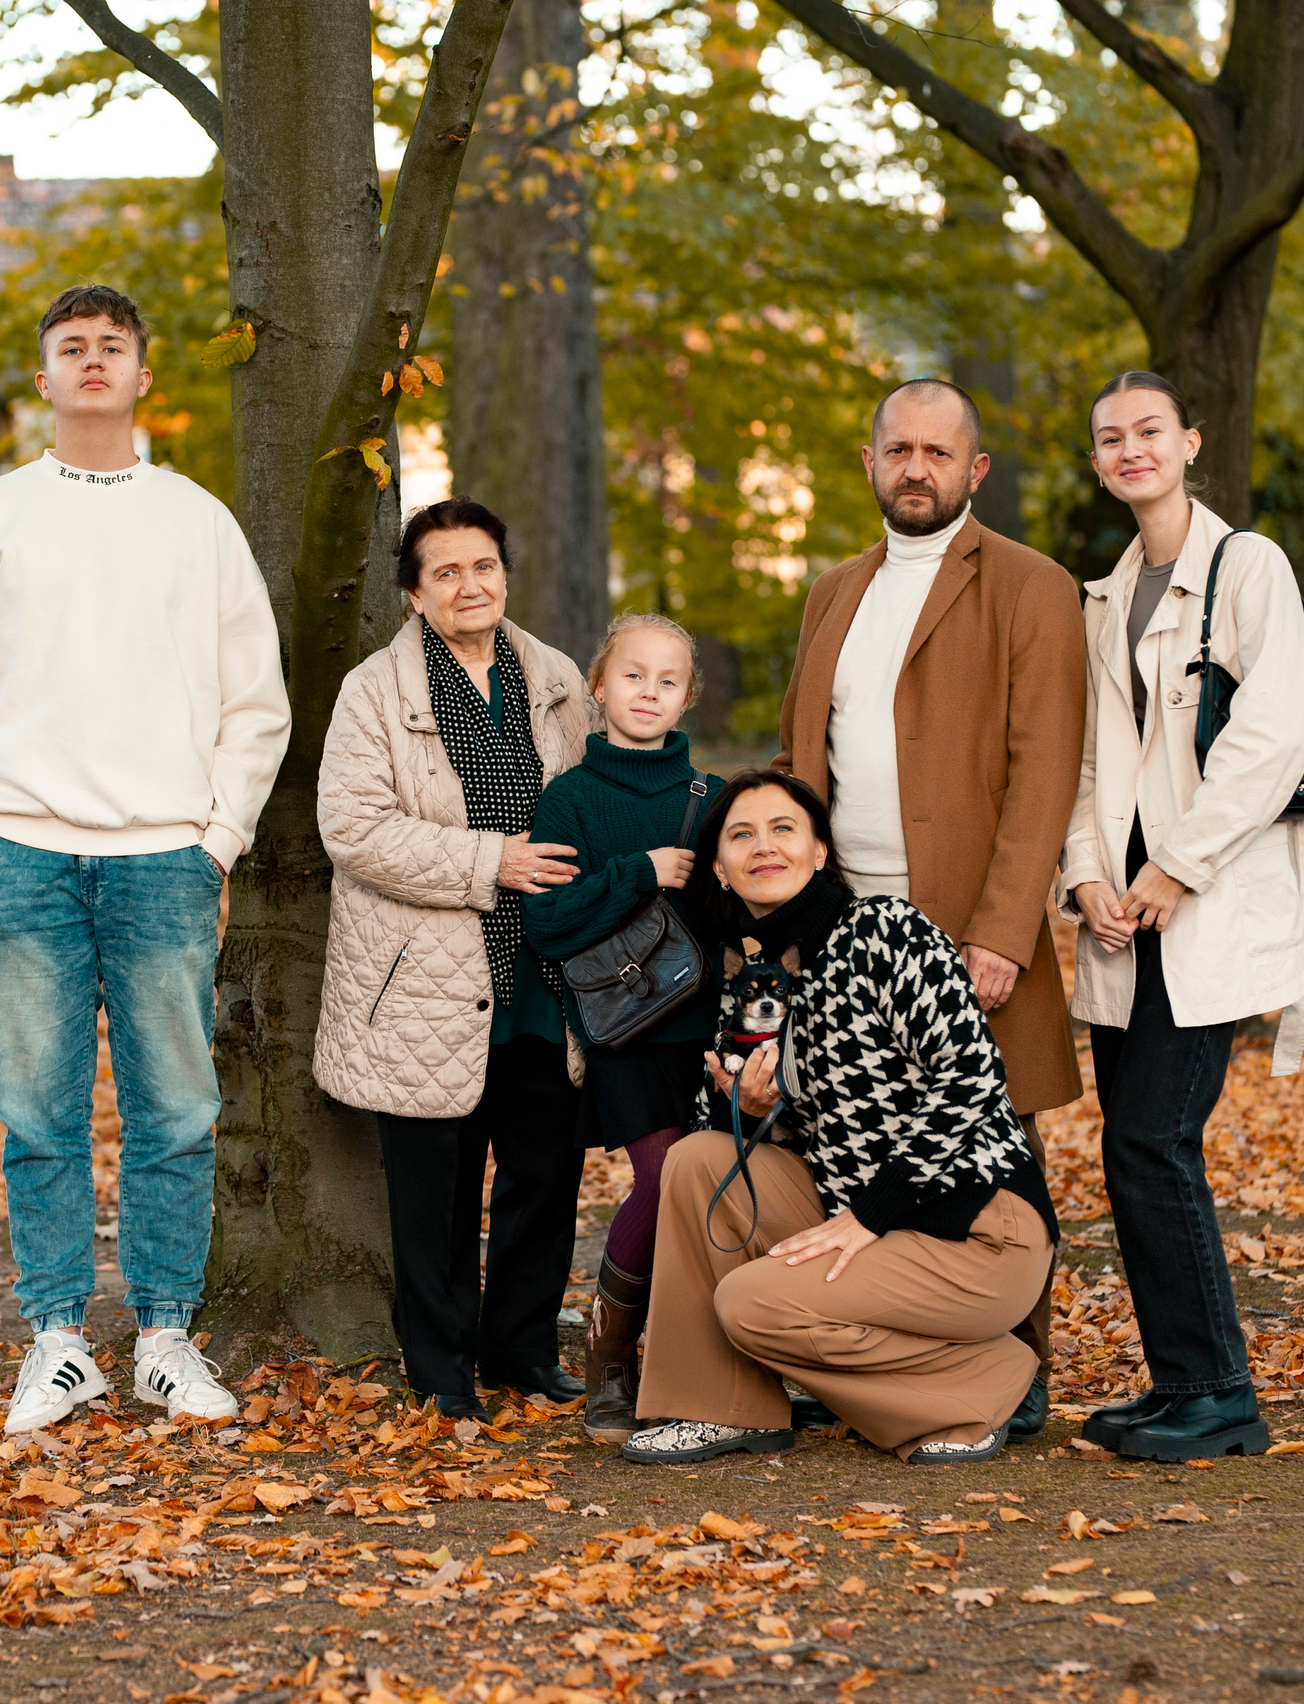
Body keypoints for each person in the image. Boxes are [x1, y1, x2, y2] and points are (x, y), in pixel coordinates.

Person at [0, 283, 292, 1435]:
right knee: (39, 1110)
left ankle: (166, 1335)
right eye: (70, 348)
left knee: (176, 1108)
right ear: (41, 378)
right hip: (20, 853)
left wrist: (217, 836)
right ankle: (59, 1342)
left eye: (111, 348)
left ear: (142, 375)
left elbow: (253, 702)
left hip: (166, 855)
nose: (90, 363)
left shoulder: (196, 520)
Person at [774, 379, 1088, 1442]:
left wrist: (1000, 934)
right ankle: (871, 1346)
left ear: (974, 470)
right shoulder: (832, 592)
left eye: (938, 453)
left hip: (961, 921)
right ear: (869, 462)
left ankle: (1020, 1365)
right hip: (841, 922)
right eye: (898, 449)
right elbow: (795, 761)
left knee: (990, 1150)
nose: (916, 468)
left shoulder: (1030, 588)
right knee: (852, 1134)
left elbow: (1044, 770)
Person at [1058, 371, 1304, 1462]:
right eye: (1109, 439)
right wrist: (1085, 877)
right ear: (1097, 462)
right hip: (1124, 914)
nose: (1130, 450)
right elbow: (1091, 761)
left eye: (1147, 433)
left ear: (1189, 443)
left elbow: (1270, 738)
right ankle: (1183, 1383)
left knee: (1151, 1139)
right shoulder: (1105, 595)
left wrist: (1173, 868)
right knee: (1134, 1150)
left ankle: (1220, 1393)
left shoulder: (1244, 566)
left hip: (1202, 900)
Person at [619, 770, 1059, 1466]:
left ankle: (983, 1380)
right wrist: (748, 1109)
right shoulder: (752, 979)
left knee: (751, 1305)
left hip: (975, 1228)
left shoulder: (884, 930)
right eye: (741, 835)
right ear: (722, 872)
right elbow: (734, 1136)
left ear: (821, 851)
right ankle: (720, 1407)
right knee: (698, 1161)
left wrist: (871, 1213)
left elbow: (971, 1075)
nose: (763, 846)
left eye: (783, 829)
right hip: (867, 1227)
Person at [314, 497, 593, 1420]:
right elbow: (352, 828)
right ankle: (441, 1375)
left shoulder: (553, 674)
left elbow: (590, 799)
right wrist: (490, 862)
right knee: (434, 1197)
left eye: (483, 566)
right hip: (425, 979)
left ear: (504, 572)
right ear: (413, 593)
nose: (470, 585)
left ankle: (520, 1353)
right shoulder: (375, 691)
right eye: (446, 572)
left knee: (544, 1179)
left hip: (544, 976)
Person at [518, 614, 725, 1443]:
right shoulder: (570, 797)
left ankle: (689, 1361)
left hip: (706, 1030)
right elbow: (548, 921)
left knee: (706, 1185)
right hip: (624, 1031)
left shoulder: (708, 798)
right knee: (665, 1178)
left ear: (687, 698)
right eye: (633, 676)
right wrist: (639, 872)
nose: (649, 692)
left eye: (667, 680)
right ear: (599, 687)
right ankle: (610, 1366)